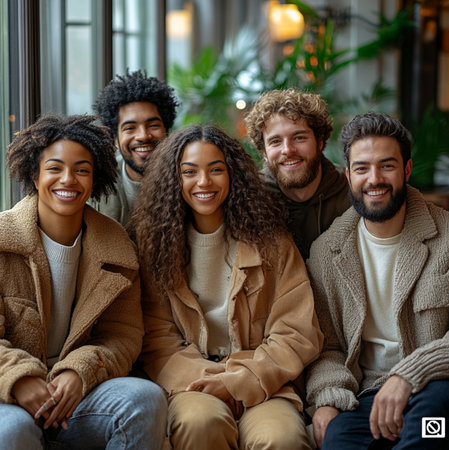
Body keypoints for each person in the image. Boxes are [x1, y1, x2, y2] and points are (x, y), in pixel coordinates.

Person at [128, 124, 323, 450]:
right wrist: (214, 383)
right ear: (174, 179)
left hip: (264, 380)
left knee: (282, 438)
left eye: (215, 170)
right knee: (200, 423)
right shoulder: (155, 248)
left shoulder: (272, 243)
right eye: (189, 172)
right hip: (190, 382)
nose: (203, 182)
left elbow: (297, 332)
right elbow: (157, 338)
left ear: (233, 174)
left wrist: (238, 383)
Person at [0, 114, 167, 450]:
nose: (68, 179)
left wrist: (80, 372)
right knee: (12, 431)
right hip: (9, 396)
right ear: (34, 174)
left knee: (145, 399)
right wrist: (19, 379)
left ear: (95, 180)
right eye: (55, 168)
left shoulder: (116, 246)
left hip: (79, 396)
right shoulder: (3, 239)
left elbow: (124, 335)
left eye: (81, 170)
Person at [306, 112, 449, 449]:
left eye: (387, 166)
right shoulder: (327, 252)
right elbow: (326, 347)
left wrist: (409, 374)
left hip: (436, 391)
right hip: (364, 395)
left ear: (407, 170)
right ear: (348, 175)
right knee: (337, 442)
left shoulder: (446, 237)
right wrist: (327, 398)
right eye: (362, 168)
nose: (374, 179)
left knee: (430, 436)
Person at [244, 88, 350, 259]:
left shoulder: (350, 191)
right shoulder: (251, 199)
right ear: (263, 152)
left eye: (299, 138)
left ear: (320, 141)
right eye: (276, 141)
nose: (288, 150)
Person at [91, 69, 179, 225]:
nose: (143, 136)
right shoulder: (97, 186)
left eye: (153, 125)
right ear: (115, 139)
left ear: (167, 131)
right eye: (130, 128)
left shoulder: (187, 178)